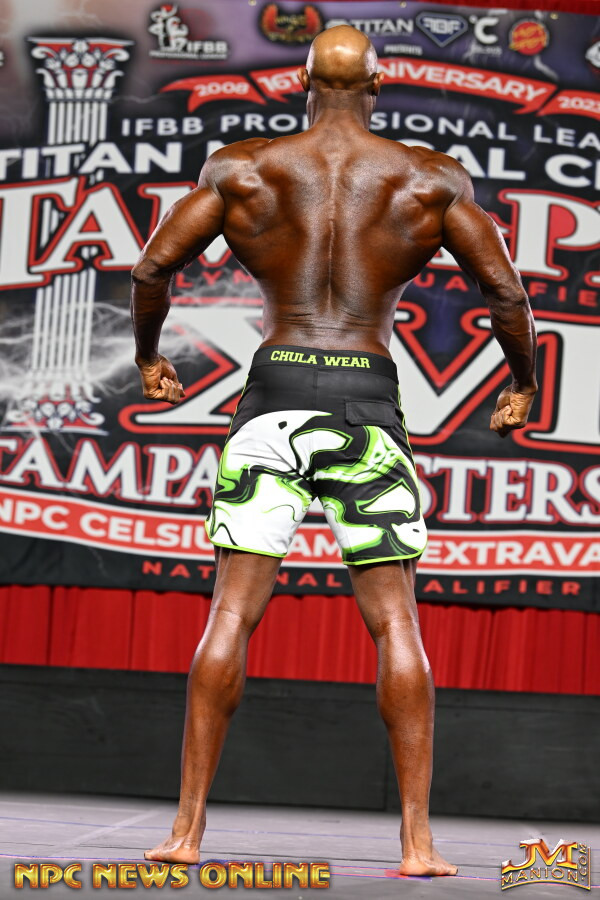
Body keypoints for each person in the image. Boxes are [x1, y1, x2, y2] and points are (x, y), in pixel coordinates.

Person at [130, 25, 537, 877]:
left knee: (231, 614)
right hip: (365, 400)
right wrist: (522, 382)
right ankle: (418, 843)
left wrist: (150, 357)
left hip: (274, 393)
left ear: (303, 81)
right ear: (378, 85)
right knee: (395, 620)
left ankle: (187, 832)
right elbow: (504, 291)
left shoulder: (244, 169)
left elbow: (152, 268)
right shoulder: (426, 178)